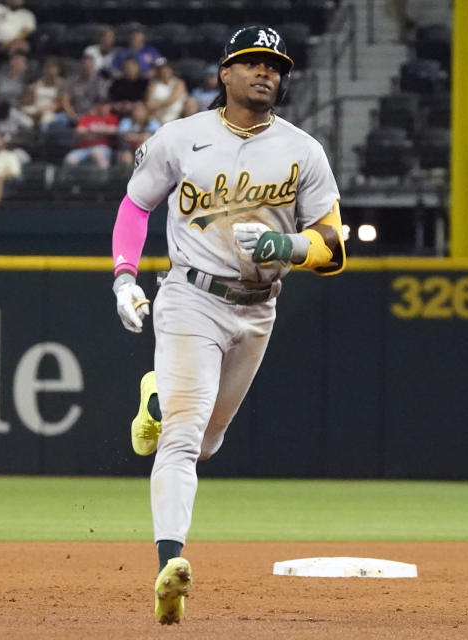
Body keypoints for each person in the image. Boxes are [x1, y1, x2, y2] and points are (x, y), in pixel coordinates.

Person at [109, 25, 345, 625]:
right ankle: (170, 567)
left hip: (257, 306)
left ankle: (156, 400)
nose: (266, 73)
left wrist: (284, 243)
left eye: (274, 66)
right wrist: (124, 275)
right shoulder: (182, 137)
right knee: (184, 443)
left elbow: (334, 247)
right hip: (190, 298)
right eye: (252, 63)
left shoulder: (303, 150)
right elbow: (137, 203)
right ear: (225, 73)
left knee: (207, 442)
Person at [63, 98, 117, 168]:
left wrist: (95, 129)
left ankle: (105, 178)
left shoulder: (111, 118)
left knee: (98, 154)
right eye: (102, 106)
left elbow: (113, 130)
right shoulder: (88, 118)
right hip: (84, 148)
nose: (104, 108)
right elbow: (79, 130)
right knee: (70, 159)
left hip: (102, 147)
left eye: (106, 106)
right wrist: (91, 129)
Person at [18, 56, 68, 130]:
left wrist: (45, 109)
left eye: (53, 68)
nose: (50, 70)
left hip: (50, 110)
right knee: (23, 112)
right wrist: (30, 93)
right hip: (36, 108)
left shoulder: (62, 85)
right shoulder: (37, 84)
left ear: (58, 70)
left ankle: (42, 135)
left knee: (46, 119)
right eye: (48, 67)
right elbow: (29, 101)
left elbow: (60, 104)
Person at [62, 52, 109, 123]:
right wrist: (72, 115)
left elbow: (103, 103)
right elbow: (65, 100)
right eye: (85, 64)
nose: (87, 67)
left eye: (89, 64)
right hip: (74, 114)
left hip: (93, 115)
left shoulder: (100, 82)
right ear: (81, 65)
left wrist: (89, 115)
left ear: (93, 65)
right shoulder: (72, 81)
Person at [0, 51, 29, 122]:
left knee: (26, 122)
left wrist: (15, 107)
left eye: (20, 61)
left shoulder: (27, 82)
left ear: (25, 66)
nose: (16, 63)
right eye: (15, 60)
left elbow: (26, 101)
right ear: (10, 62)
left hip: (14, 109)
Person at [115, 100, 159, 167]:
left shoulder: (152, 122)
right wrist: (141, 137)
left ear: (146, 111)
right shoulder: (126, 121)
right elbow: (126, 136)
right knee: (126, 157)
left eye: (141, 110)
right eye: (135, 109)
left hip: (147, 150)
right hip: (128, 149)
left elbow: (156, 136)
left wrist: (137, 137)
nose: (138, 112)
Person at [144, 57, 187, 124]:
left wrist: (157, 104)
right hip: (158, 117)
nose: (163, 71)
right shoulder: (152, 85)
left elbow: (172, 99)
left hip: (178, 116)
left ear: (171, 69)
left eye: (166, 68)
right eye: (160, 69)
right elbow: (149, 104)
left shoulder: (179, 83)